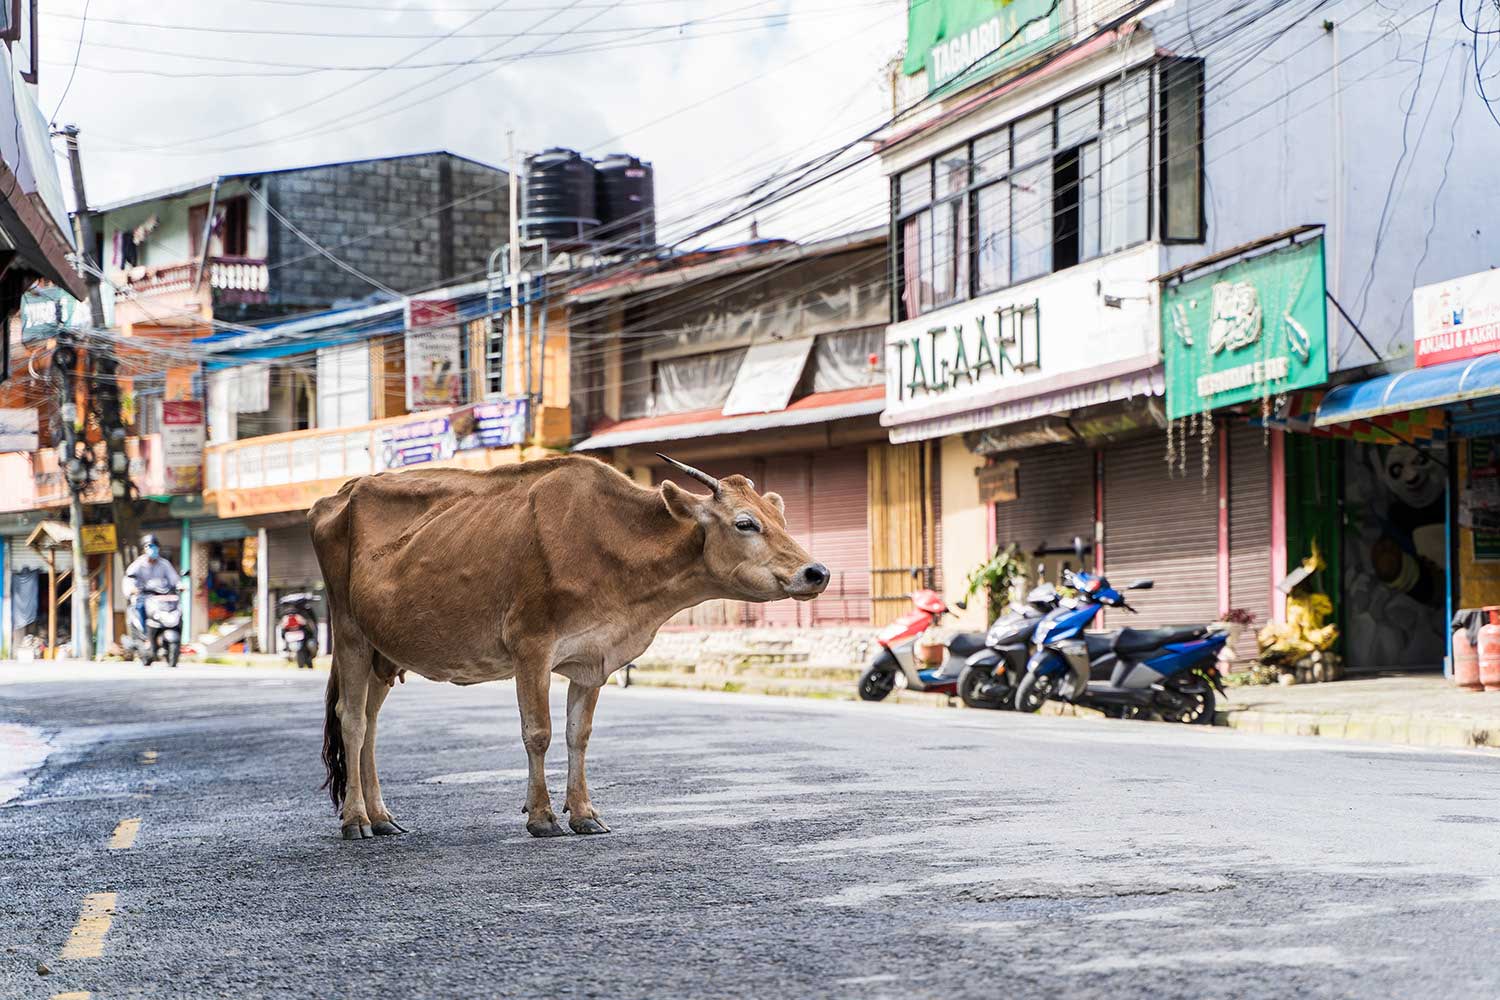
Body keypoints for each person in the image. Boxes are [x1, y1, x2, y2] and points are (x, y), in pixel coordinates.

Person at [124, 533, 180, 637]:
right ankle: (145, 636)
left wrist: (180, 586)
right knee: (139, 608)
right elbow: (129, 578)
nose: (152, 549)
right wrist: (131, 589)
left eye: (154, 546)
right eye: (149, 546)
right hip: (144, 597)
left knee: (175, 610)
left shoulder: (164, 564)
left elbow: (174, 579)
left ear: (158, 548)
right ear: (143, 549)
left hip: (161, 598)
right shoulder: (138, 564)